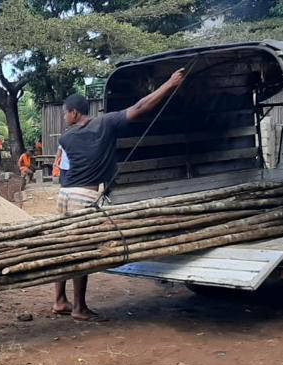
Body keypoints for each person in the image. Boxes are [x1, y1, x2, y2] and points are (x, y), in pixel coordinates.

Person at [53, 68, 186, 321]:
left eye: (64, 112)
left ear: (74, 112)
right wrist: (169, 83)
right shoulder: (106, 122)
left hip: (64, 196)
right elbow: (140, 107)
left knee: (63, 248)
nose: (64, 117)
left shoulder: (66, 139)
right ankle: (79, 308)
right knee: (83, 252)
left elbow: (63, 173)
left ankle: (60, 301)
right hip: (85, 196)